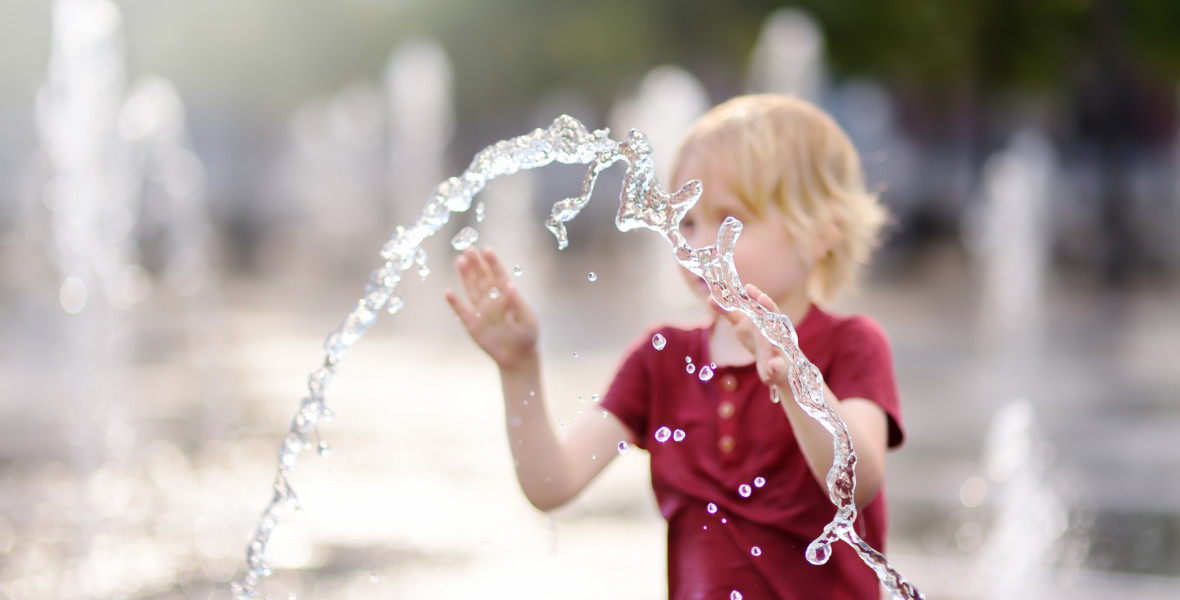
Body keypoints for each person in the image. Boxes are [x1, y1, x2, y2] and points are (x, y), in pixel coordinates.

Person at [443, 94, 905, 600]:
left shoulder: (850, 345)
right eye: (687, 222)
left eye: (731, 221)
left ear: (820, 232)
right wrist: (519, 370)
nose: (701, 246)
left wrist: (794, 379)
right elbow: (551, 484)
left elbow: (857, 486)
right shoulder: (662, 359)